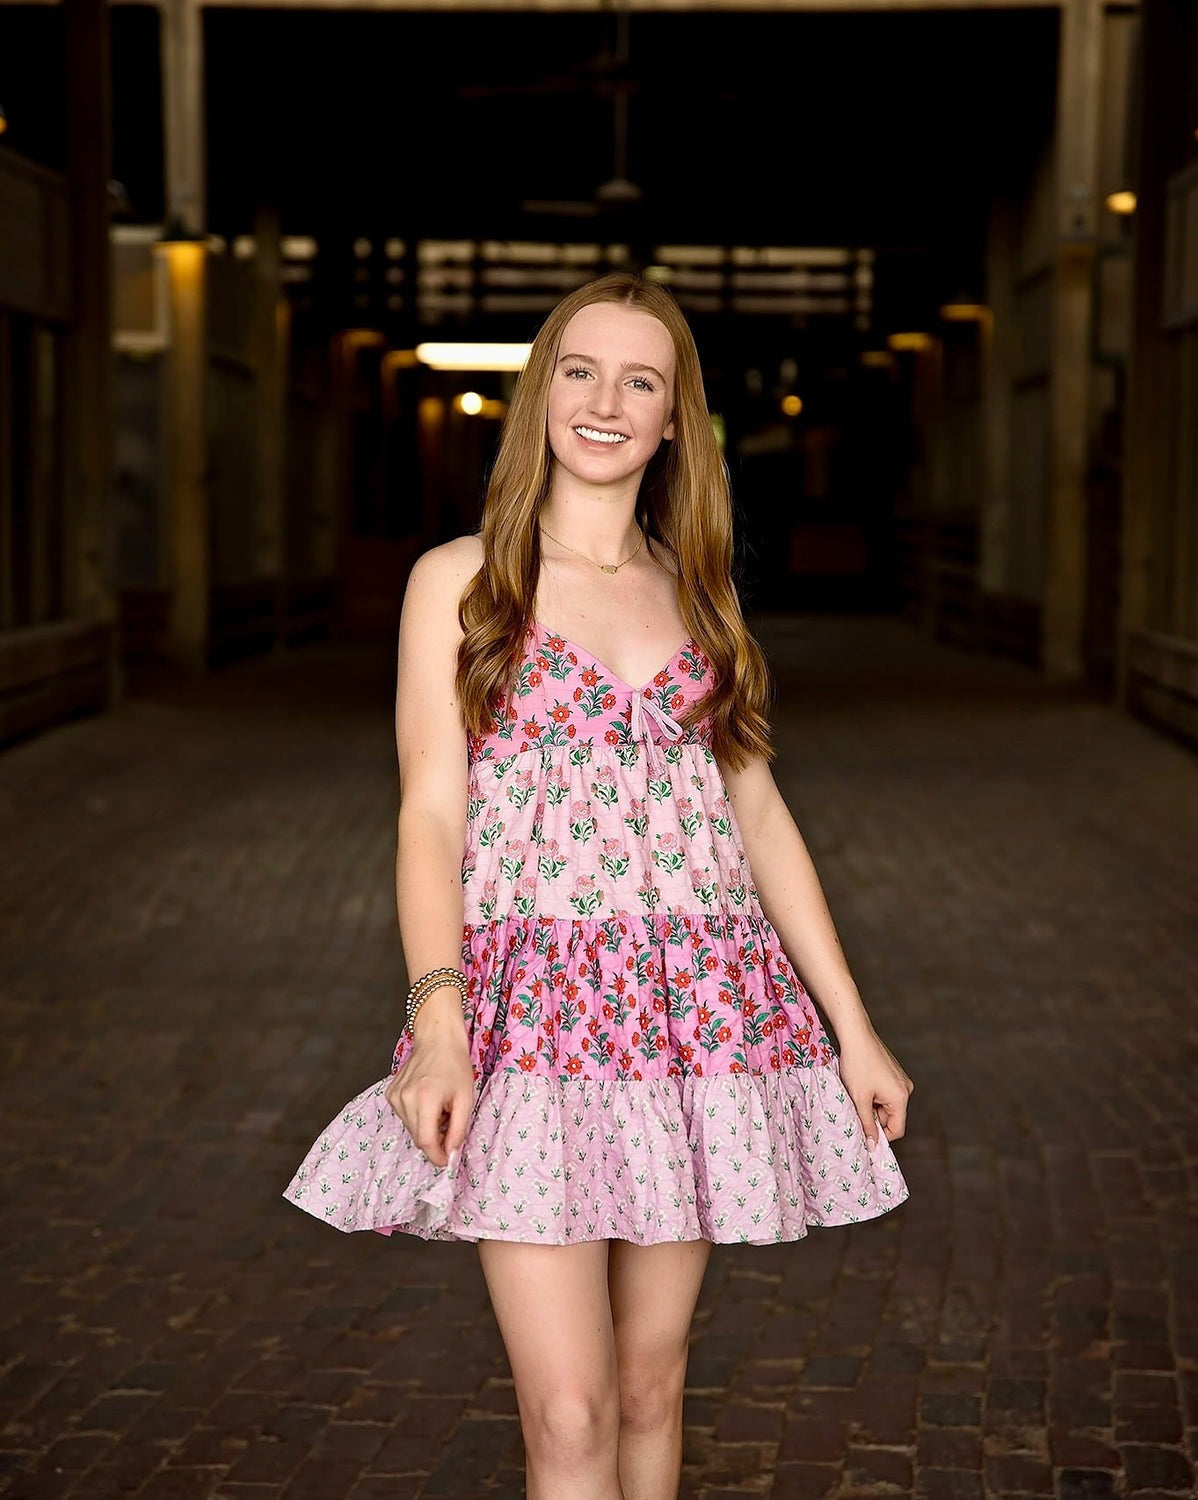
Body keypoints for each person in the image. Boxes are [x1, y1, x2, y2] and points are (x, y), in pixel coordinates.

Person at [284, 271, 913, 1500]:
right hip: (534, 1023)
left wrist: (857, 1029)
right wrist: (438, 1017)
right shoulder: (462, 583)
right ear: (540, 394)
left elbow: (761, 815)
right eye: (580, 371)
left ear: (676, 419)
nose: (607, 401)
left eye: (642, 381)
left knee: (647, 1386)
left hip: (695, 1019)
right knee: (567, 1414)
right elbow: (427, 816)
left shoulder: (702, 593)